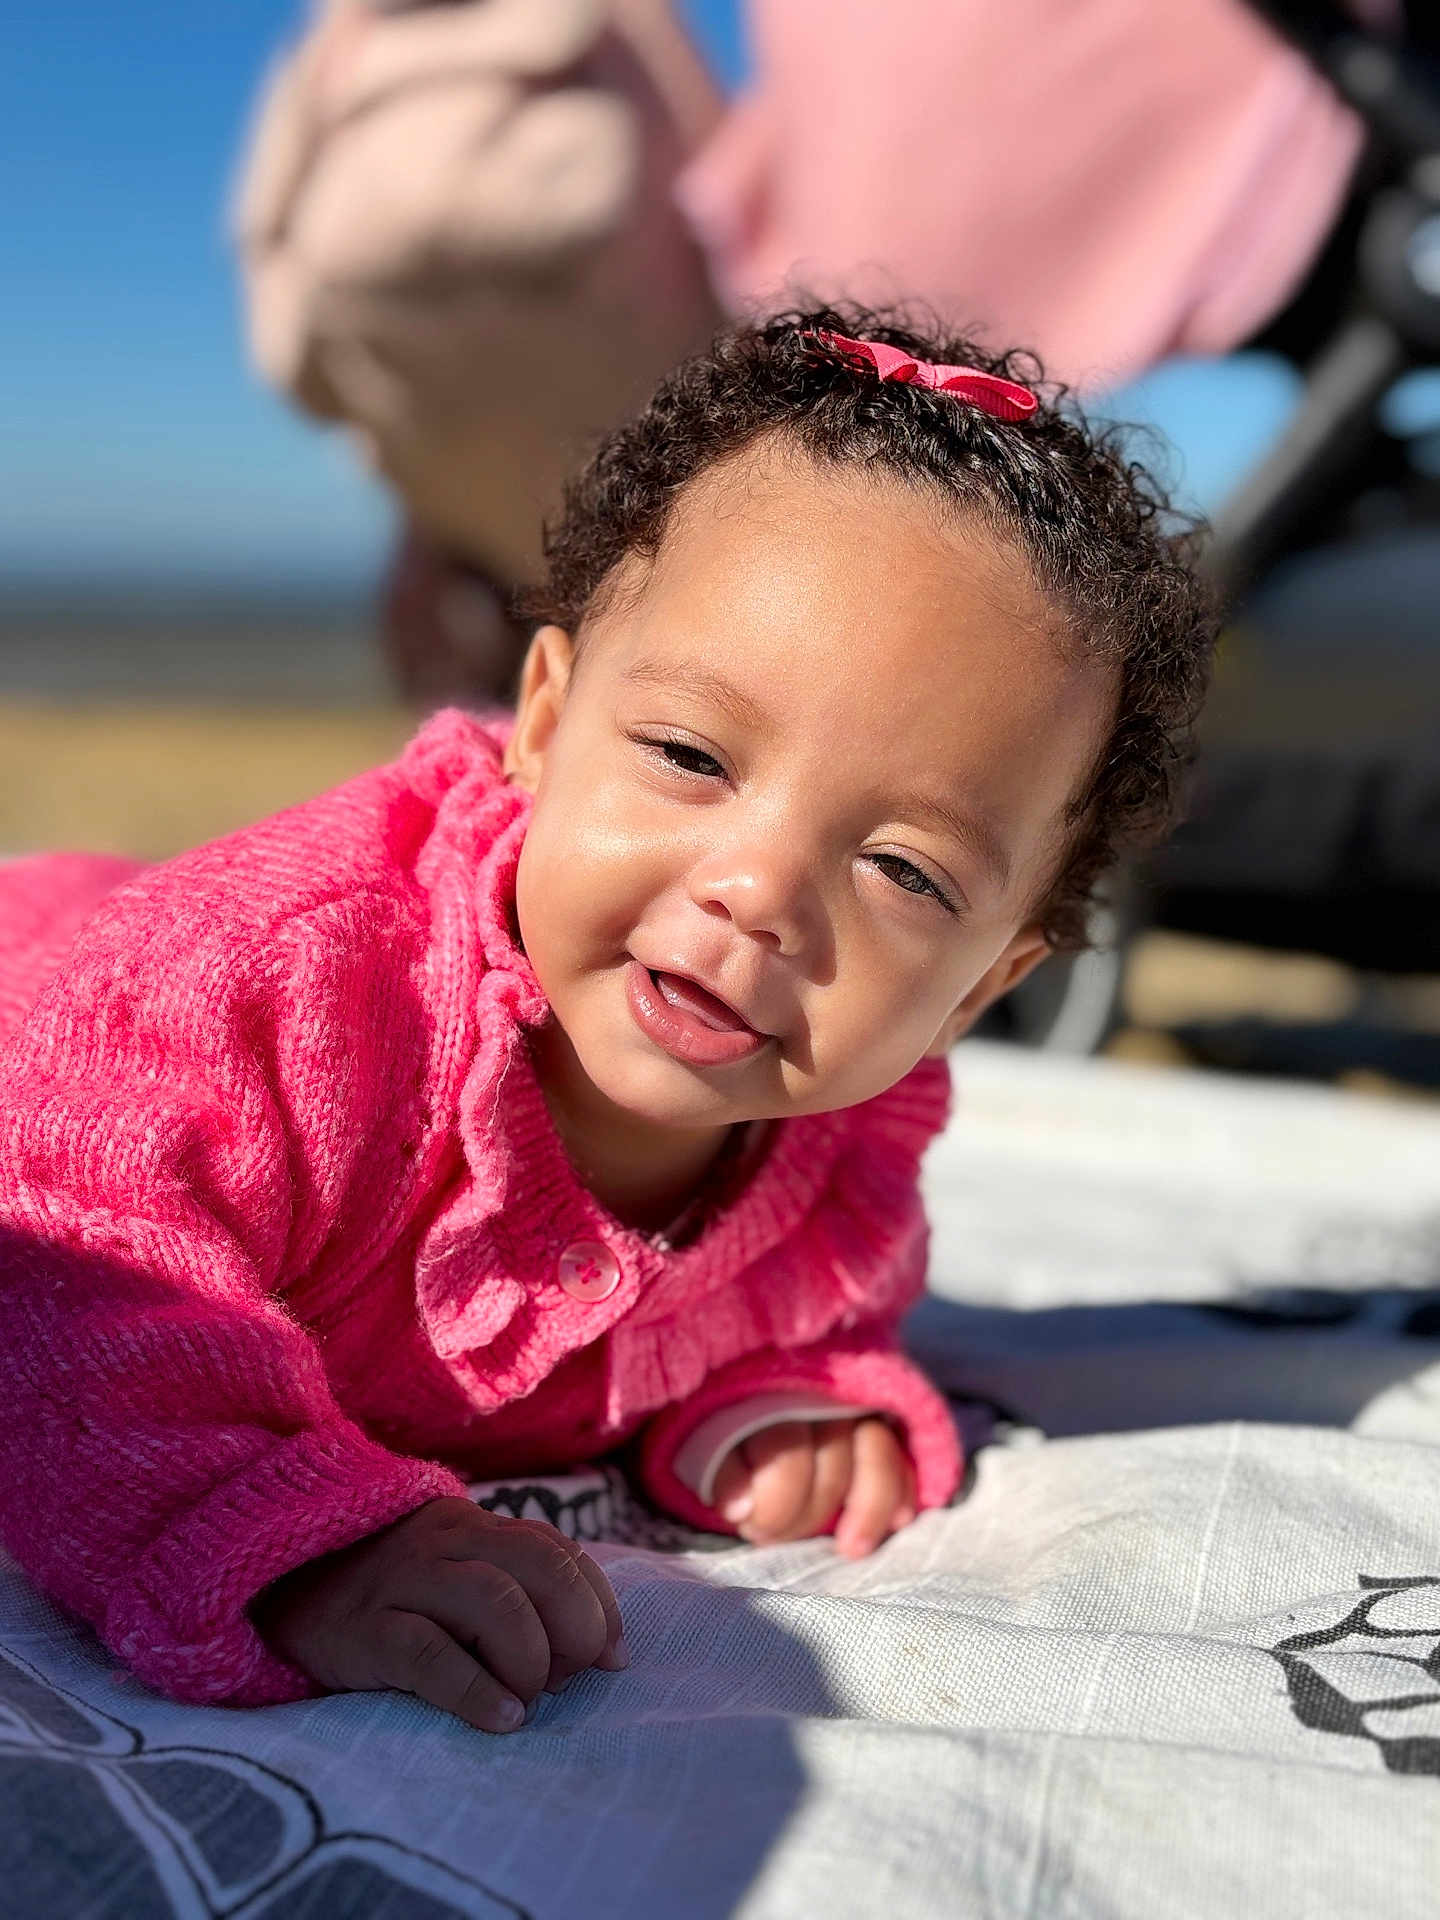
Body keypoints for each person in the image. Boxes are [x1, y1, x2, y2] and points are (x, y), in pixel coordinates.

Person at [0, 310, 1214, 1735]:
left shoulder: (840, 1156)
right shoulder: (286, 991)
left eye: (902, 869)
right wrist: (292, 1540)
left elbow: (811, 1311)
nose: (759, 891)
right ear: (543, 720)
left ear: (985, 988)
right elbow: (62, 1254)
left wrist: (781, 1402)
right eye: (693, 756)